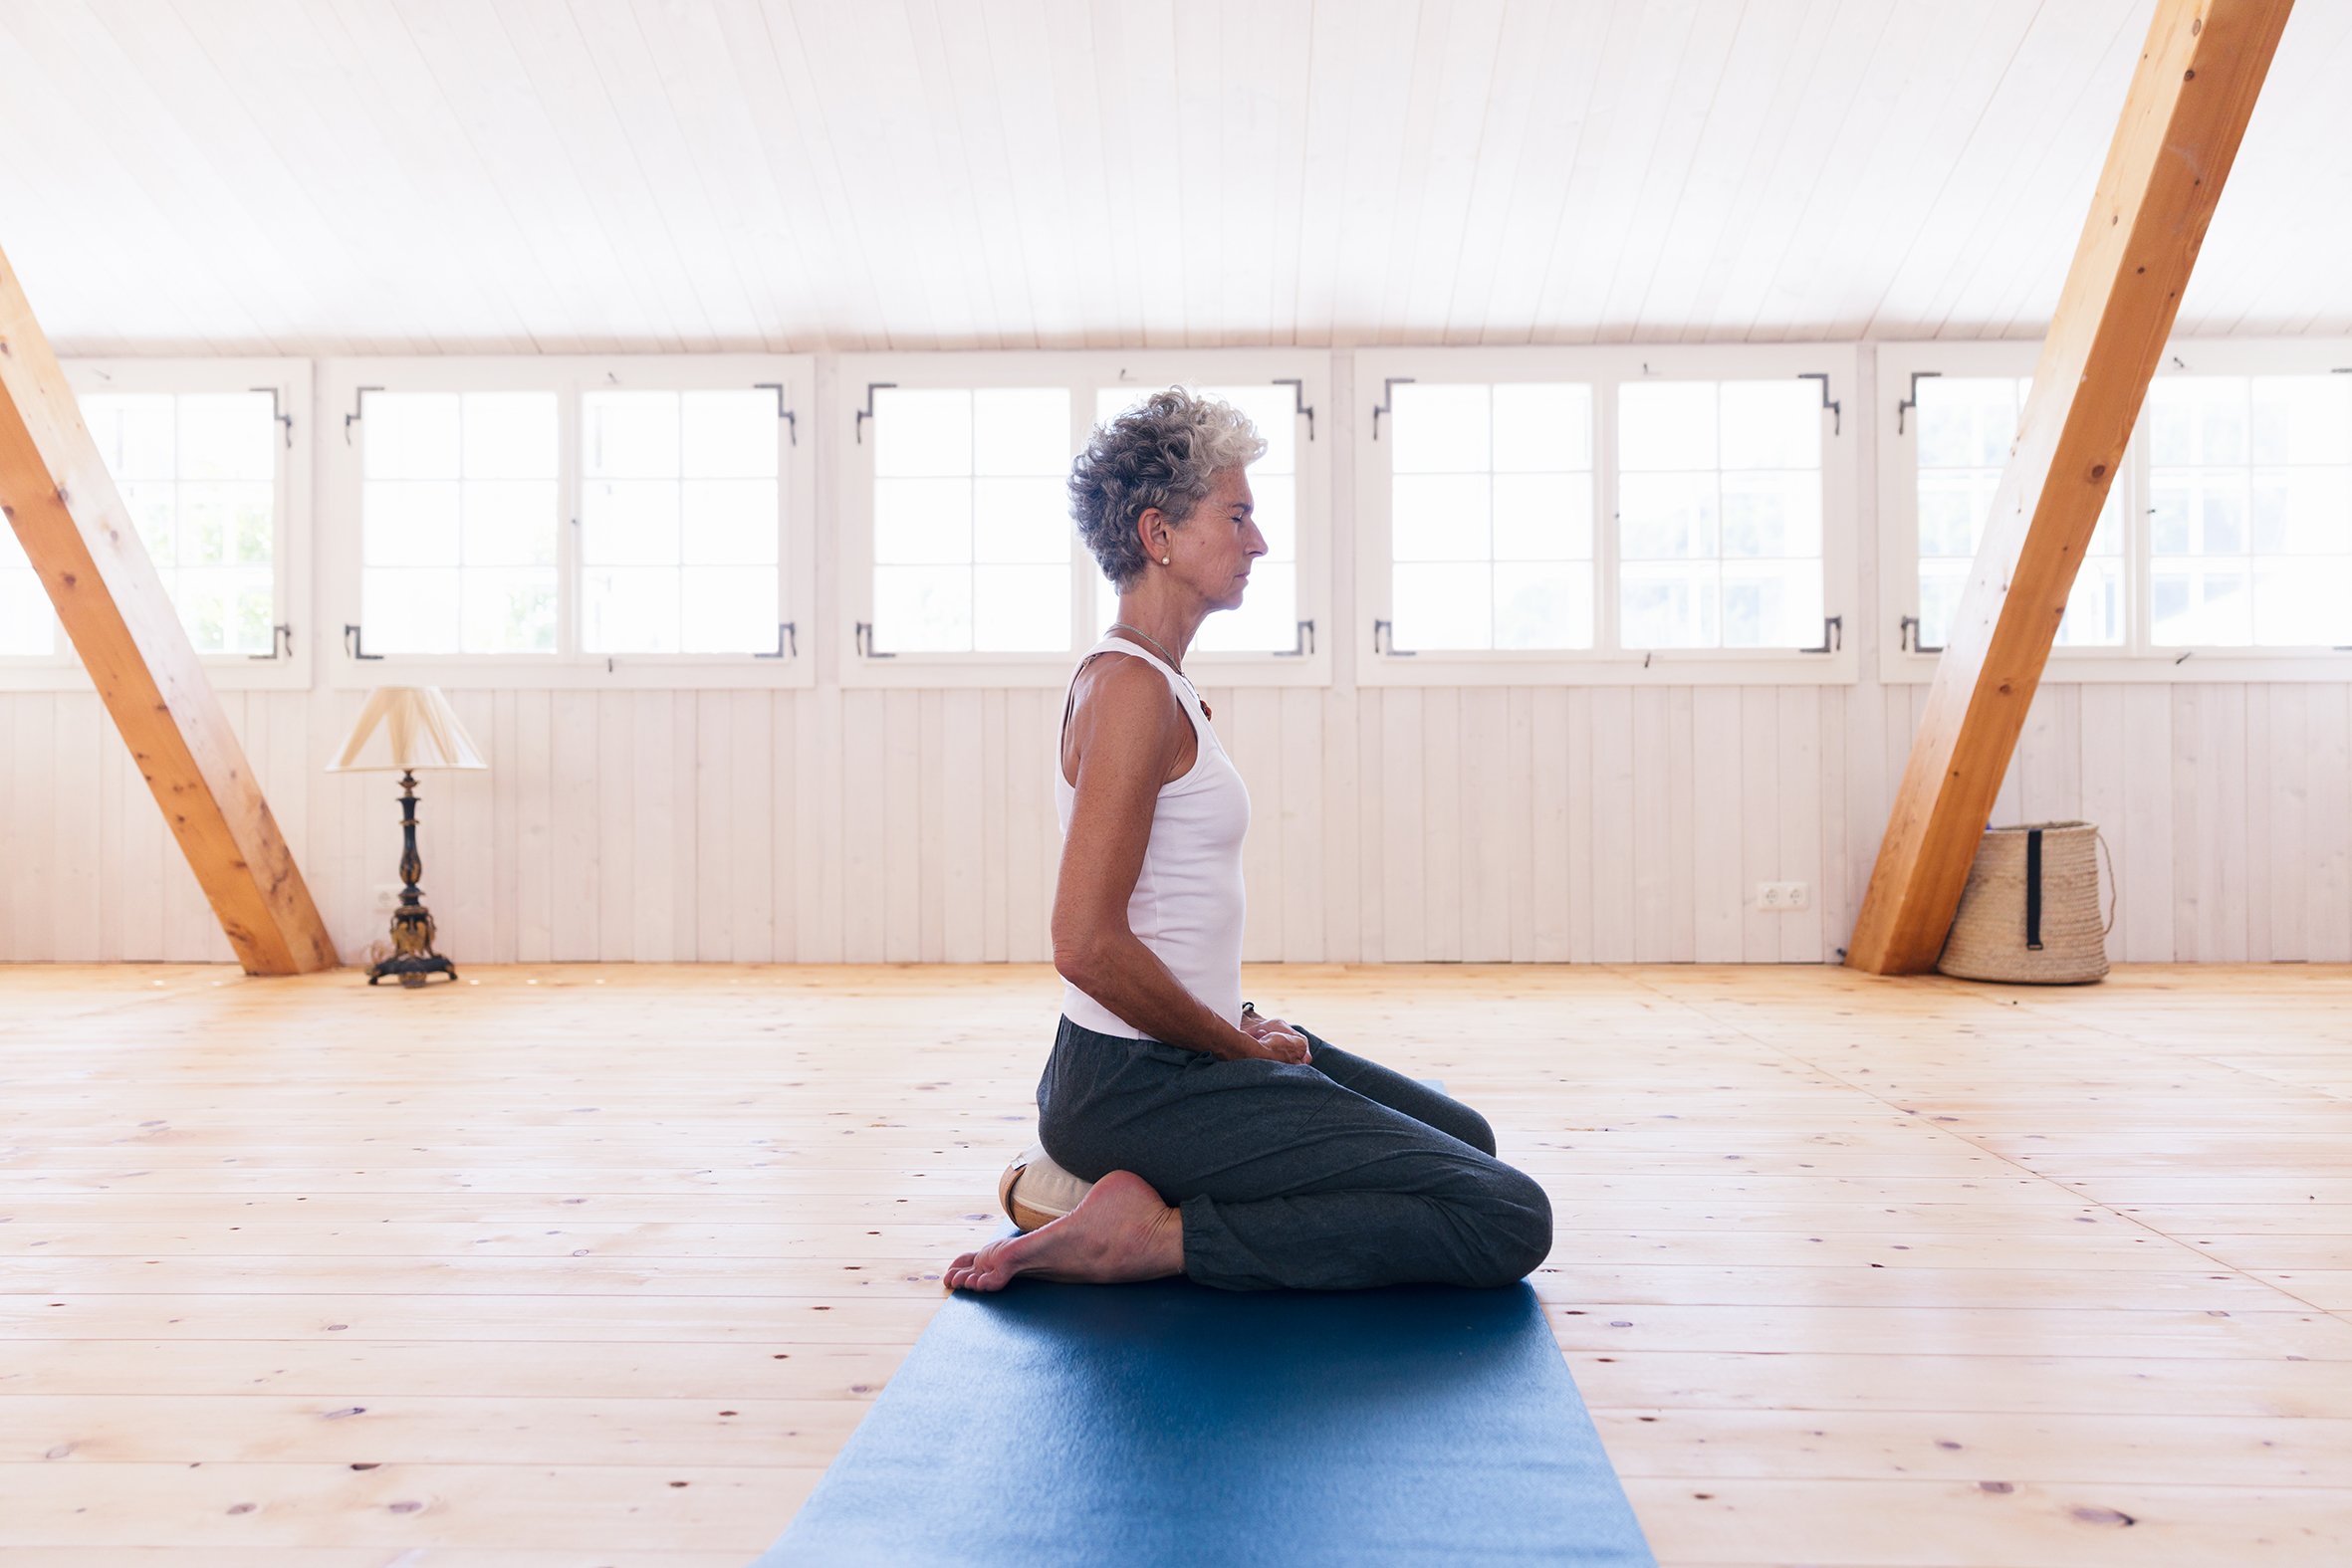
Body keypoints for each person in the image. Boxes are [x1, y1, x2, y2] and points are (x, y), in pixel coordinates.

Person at [943, 389, 1551, 1294]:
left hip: (1178, 1050)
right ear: (1159, 534)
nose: (1258, 542)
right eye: (1238, 516)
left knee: (1468, 1146)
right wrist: (1236, 1052)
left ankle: (1087, 1193)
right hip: (1133, 1083)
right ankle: (1151, 1237)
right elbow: (1085, 942)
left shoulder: (1162, 685)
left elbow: (1172, 914)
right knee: (1507, 1214)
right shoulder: (1129, 693)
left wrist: (1239, 1018)